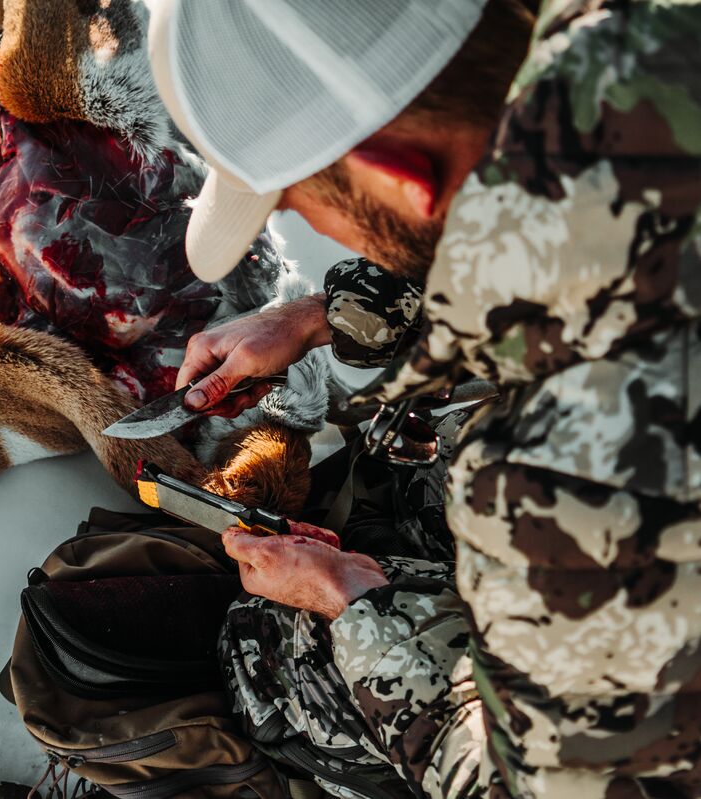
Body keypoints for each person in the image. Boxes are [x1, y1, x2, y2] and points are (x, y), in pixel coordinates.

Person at [147, 0, 701, 797]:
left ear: (403, 178)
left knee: (273, 650)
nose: (330, 236)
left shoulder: (571, 475)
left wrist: (350, 602)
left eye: (304, 205)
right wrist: (320, 316)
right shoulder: (643, 40)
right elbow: (560, 233)